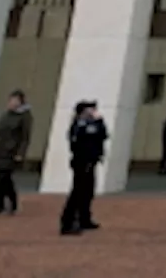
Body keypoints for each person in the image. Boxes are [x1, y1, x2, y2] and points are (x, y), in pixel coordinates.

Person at [60, 100, 108, 236]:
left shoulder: (94, 123)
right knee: (77, 192)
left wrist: (100, 121)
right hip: (81, 162)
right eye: (90, 110)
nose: (93, 112)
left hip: (91, 162)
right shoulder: (79, 125)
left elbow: (103, 135)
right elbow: (77, 142)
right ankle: (68, 222)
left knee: (88, 192)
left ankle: (84, 218)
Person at [0, 89, 33, 215]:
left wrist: (20, 153)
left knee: (5, 178)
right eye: (11, 100)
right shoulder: (5, 115)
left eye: (15, 100)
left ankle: (13, 204)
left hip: (11, 152)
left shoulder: (25, 116)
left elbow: (25, 137)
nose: (12, 103)